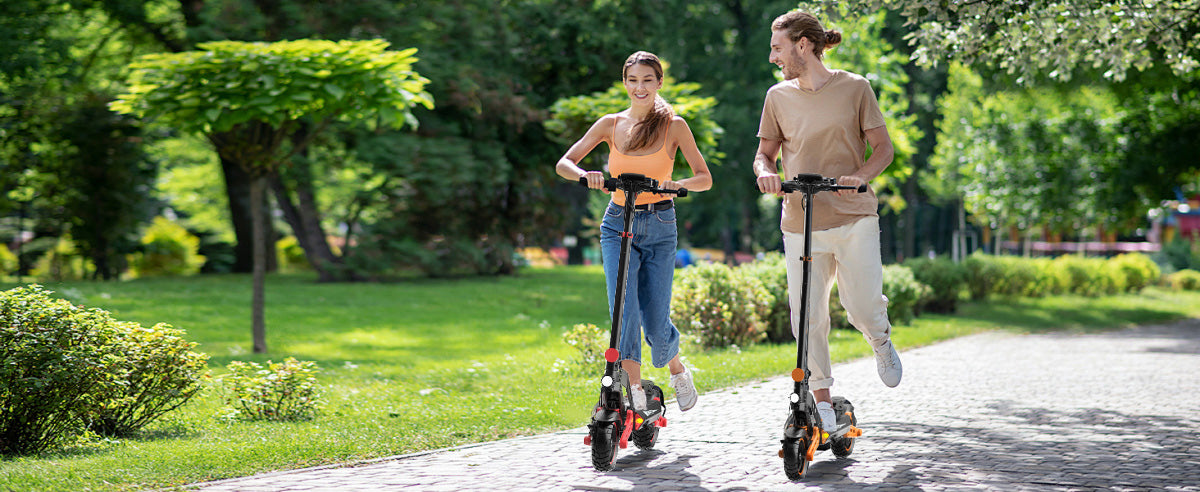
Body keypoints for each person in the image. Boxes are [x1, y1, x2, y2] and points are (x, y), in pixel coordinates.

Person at [752, 11, 903, 433]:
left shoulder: (855, 88)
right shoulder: (777, 96)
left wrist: (862, 178)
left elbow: (883, 150)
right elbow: (764, 153)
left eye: (777, 47)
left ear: (803, 45)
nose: (772, 57)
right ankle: (821, 403)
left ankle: (880, 338)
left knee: (862, 307)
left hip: (854, 216)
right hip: (800, 219)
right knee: (807, 316)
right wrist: (764, 171)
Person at [555, 51, 712, 412]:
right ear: (625, 83)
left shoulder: (675, 126)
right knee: (623, 311)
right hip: (616, 222)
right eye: (633, 80)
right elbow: (565, 163)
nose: (639, 87)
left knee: (656, 320)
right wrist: (585, 175)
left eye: (647, 80)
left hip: (660, 225)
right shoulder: (610, 124)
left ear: (658, 82)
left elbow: (704, 178)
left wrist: (675, 185)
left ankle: (676, 370)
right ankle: (636, 391)